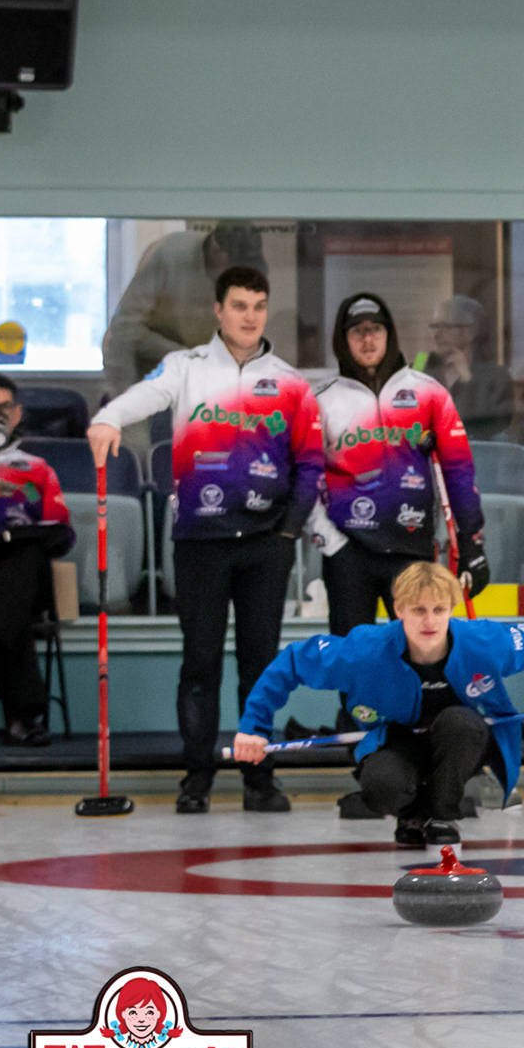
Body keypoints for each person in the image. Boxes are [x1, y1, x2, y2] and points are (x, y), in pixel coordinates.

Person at [87, 266, 325, 815]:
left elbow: (311, 461)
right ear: (219, 310)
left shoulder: (289, 381)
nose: (250, 316)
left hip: (266, 544)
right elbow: (142, 396)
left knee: (260, 667)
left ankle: (259, 778)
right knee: (199, 663)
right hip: (199, 540)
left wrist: (290, 529)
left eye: (258, 306)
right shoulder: (185, 366)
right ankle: (197, 777)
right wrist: (107, 420)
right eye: (239, 305)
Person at [233, 561, 524, 846]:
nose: (430, 621)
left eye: (439, 610)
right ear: (399, 610)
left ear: (452, 610)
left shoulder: (483, 642)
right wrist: (253, 728)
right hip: (396, 739)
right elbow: (290, 663)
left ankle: (442, 815)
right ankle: (412, 815)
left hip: (461, 735)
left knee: (461, 725)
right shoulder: (364, 650)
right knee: (381, 788)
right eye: (418, 610)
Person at [310, 294, 489, 638]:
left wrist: (472, 542)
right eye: (357, 331)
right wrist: (331, 542)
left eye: (375, 329)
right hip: (349, 551)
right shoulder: (323, 399)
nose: (368, 339)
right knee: (354, 660)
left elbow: (459, 472)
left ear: (389, 334)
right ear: (342, 339)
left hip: (412, 549)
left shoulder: (428, 392)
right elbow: (305, 479)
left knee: (418, 655)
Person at [99, 221, 265, 397]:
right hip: (145, 378)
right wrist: (125, 401)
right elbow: (124, 332)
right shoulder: (170, 254)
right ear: (217, 251)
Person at [0, 374, 74, 746]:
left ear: (17, 414)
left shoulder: (36, 468)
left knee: (23, 556)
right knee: (10, 619)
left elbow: (61, 535)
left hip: (23, 573)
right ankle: (23, 718)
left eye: (2, 408)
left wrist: (18, 536)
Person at [423, 296, 516, 442]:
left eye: (445, 326)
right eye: (435, 326)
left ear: (469, 331)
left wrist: (467, 381)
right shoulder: (423, 369)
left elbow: (493, 426)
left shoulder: (496, 377)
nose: (437, 334)